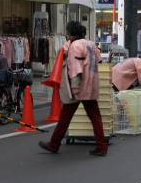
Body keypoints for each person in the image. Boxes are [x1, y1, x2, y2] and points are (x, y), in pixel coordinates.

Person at [38, 21, 108, 156]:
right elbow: (98, 59)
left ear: (71, 34)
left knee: (65, 117)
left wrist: (75, 87)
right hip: (91, 84)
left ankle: (54, 144)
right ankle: (102, 146)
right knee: (95, 116)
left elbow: (76, 69)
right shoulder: (91, 44)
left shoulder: (74, 46)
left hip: (78, 87)